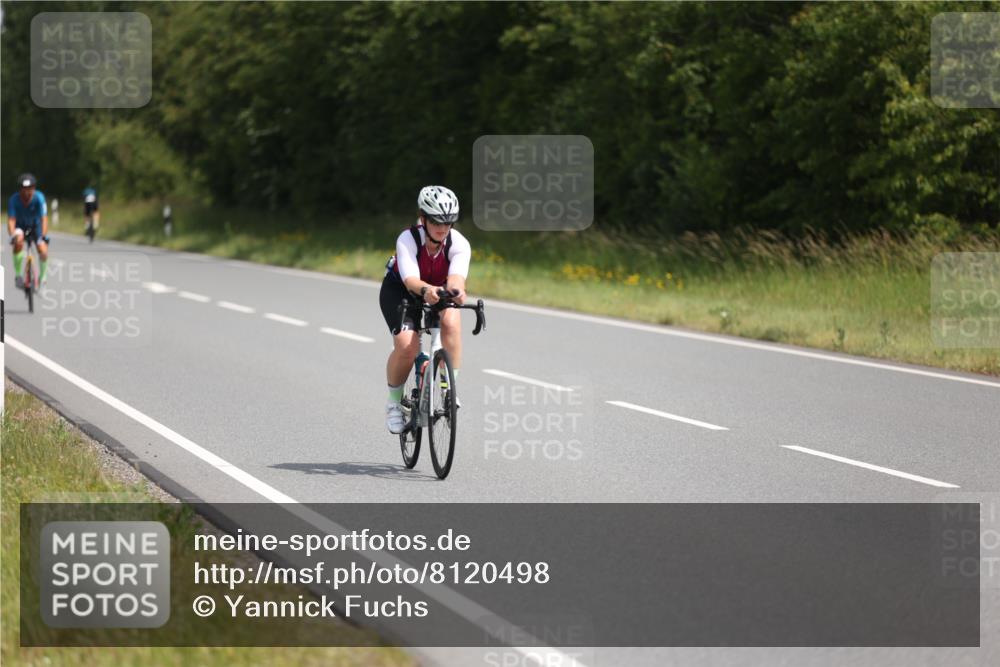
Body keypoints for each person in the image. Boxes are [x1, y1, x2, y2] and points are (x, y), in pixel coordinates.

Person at [380, 186, 471, 433]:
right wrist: (427, 290)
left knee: (451, 321)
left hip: (436, 290)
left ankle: (449, 390)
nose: (443, 228)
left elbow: (456, 278)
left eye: (448, 222)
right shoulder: (407, 239)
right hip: (401, 291)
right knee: (407, 347)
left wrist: (456, 291)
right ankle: (393, 403)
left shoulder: (459, 243)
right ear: (423, 218)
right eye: (436, 221)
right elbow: (411, 280)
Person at [7, 173, 50, 288]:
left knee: (43, 249)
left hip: (36, 227)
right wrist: (12, 235)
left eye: (29, 189)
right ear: (20, 189)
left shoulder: (39, 198)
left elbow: (44, 218)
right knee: (18, 241)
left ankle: (43, 277)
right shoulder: (13, 200)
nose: (26, 192)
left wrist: (43, 236)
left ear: (34, 188)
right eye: (24, 189)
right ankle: (18, 275)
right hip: (20, 226)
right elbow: (11, 220)